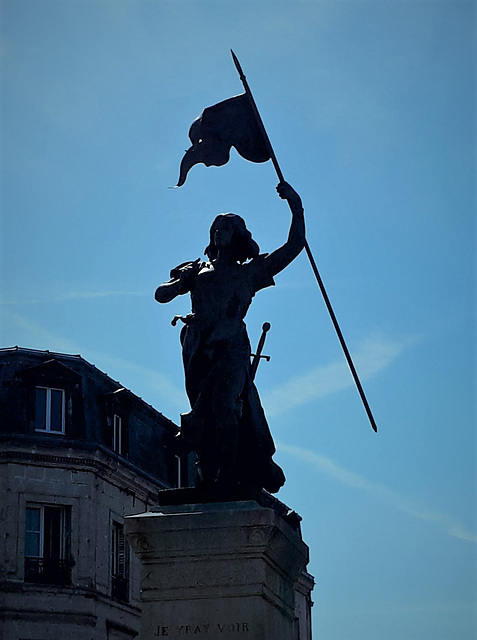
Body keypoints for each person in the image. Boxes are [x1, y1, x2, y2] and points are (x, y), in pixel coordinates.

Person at [155, 182, 305, 493]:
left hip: (232, 345)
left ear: (237, 234)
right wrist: (180, 283)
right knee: (202, 414)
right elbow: (161, 295)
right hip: (197, 347)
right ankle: (209, 476)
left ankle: (224, 480)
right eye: (215, 227)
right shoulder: (196, 269)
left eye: (225, 227)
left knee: (224, 405)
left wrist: (296, 206)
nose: (218, 231)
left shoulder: (249, 273)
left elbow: (294, 245)